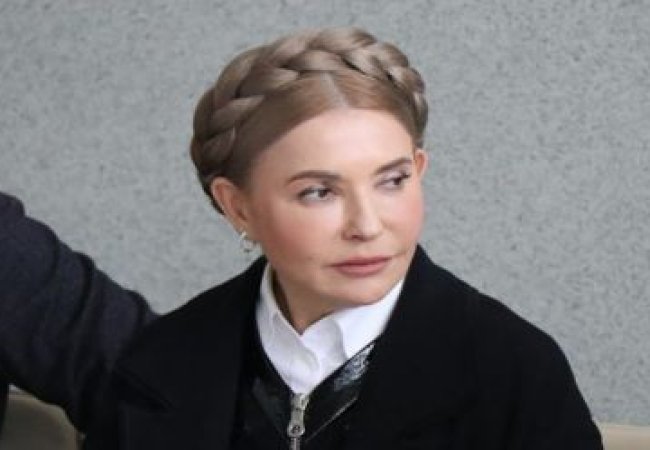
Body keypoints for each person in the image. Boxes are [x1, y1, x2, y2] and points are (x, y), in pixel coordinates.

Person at [1, 27, 602, 449]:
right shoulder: (159, 366)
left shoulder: (514, 373)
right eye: (319, 192)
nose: (367, 224)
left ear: (419, 170)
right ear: (236, 205)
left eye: (391, 181)